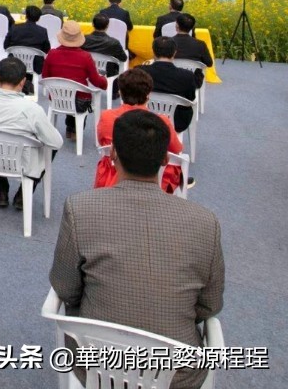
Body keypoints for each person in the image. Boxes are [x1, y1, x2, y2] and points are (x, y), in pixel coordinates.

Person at [50, 109, 224, 389]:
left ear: (113, 153)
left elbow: (66, 288)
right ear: (166, 159)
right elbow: (209, 305)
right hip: (176, 375)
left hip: (98, 366)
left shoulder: (80, 209)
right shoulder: (206, 223)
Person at [0, 57, 63, 209]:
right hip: (24, 163)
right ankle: (23, 194)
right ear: (23, 82)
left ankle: (1, 190)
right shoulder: (32, 109)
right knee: (48, 145)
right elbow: (57, 142)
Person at [93, 69, 183, 192]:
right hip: (151, 176)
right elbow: (177, 149)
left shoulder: (106, 117)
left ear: (120, 92)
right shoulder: (162, 121)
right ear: (148, 95)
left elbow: (102, 143)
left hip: (112, 174)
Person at [42, 21, 107, 138]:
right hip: (79, 101)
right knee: (79, 94)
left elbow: (45, 77)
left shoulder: (51, 54)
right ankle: (75, 130)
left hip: (57, 98)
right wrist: (105, 81)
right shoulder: (85, 57)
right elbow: (96, 81)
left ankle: (70, 128)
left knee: (69, 90)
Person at [139, 37, 198, 133]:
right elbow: (190, 98)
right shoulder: (187, 76)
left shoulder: (140, 71)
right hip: (176, 121)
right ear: (174, 53)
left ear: (153, 52)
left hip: (144, 116)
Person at [81, 13, 127, 94]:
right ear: (107, 26)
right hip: (107, 73)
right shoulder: (114, 42)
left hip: (87, 71)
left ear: (92, 24)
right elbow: (123, 58)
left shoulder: (84, 39)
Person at [4, 5, 50, 72]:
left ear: (26, 15)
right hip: (35, 65)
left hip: (14, 63)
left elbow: (6, 46)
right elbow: (46, 49)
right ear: (38, 18)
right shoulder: (42, 31)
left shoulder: (14, 28)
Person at [172, 13, 214, 80]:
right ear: (192, 27)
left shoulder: (167, 42)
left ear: (177, 25)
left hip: (171, 78)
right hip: (193, 81)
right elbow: (209, 63)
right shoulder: (200, 44)